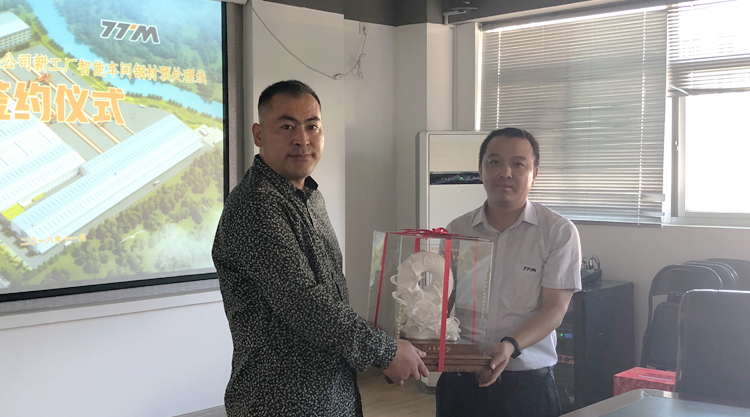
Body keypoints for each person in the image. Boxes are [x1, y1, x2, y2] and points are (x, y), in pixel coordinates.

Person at [212, 80, 429, 417]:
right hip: (280, 400)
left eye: (312, 126)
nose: (302, 139)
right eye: (287, 126)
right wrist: (384, 351)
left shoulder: (310, 197)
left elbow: (328, 298)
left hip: (331, 393)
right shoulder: (256, 205)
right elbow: (304, 302)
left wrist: (381, 341)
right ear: (259, 134)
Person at [436, 128, 582, 417]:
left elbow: (555, 309)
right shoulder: (457, 230)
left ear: (534, 174)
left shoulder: (557, 232)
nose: (505, 173)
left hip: (526, 388)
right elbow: (444, 301)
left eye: (518, 164)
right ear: (480, 170)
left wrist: (509, 346)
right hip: (460, 380)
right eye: (495, 162)